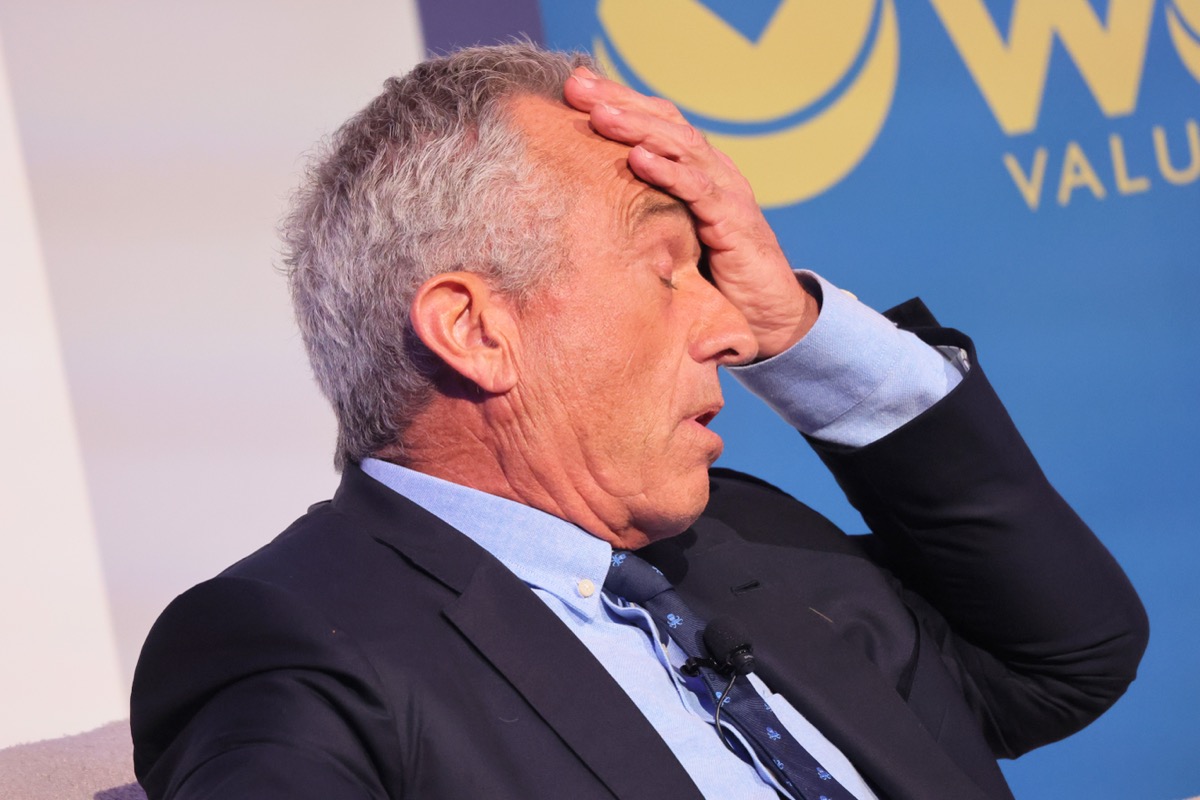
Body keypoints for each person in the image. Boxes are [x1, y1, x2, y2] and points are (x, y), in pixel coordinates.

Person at [130, 42, 1147, 800]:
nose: (725, 323)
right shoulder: (294, 642)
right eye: (668, 271)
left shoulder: (749, 538)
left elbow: (1065, 658)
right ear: (477, 329)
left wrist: (799, 324)